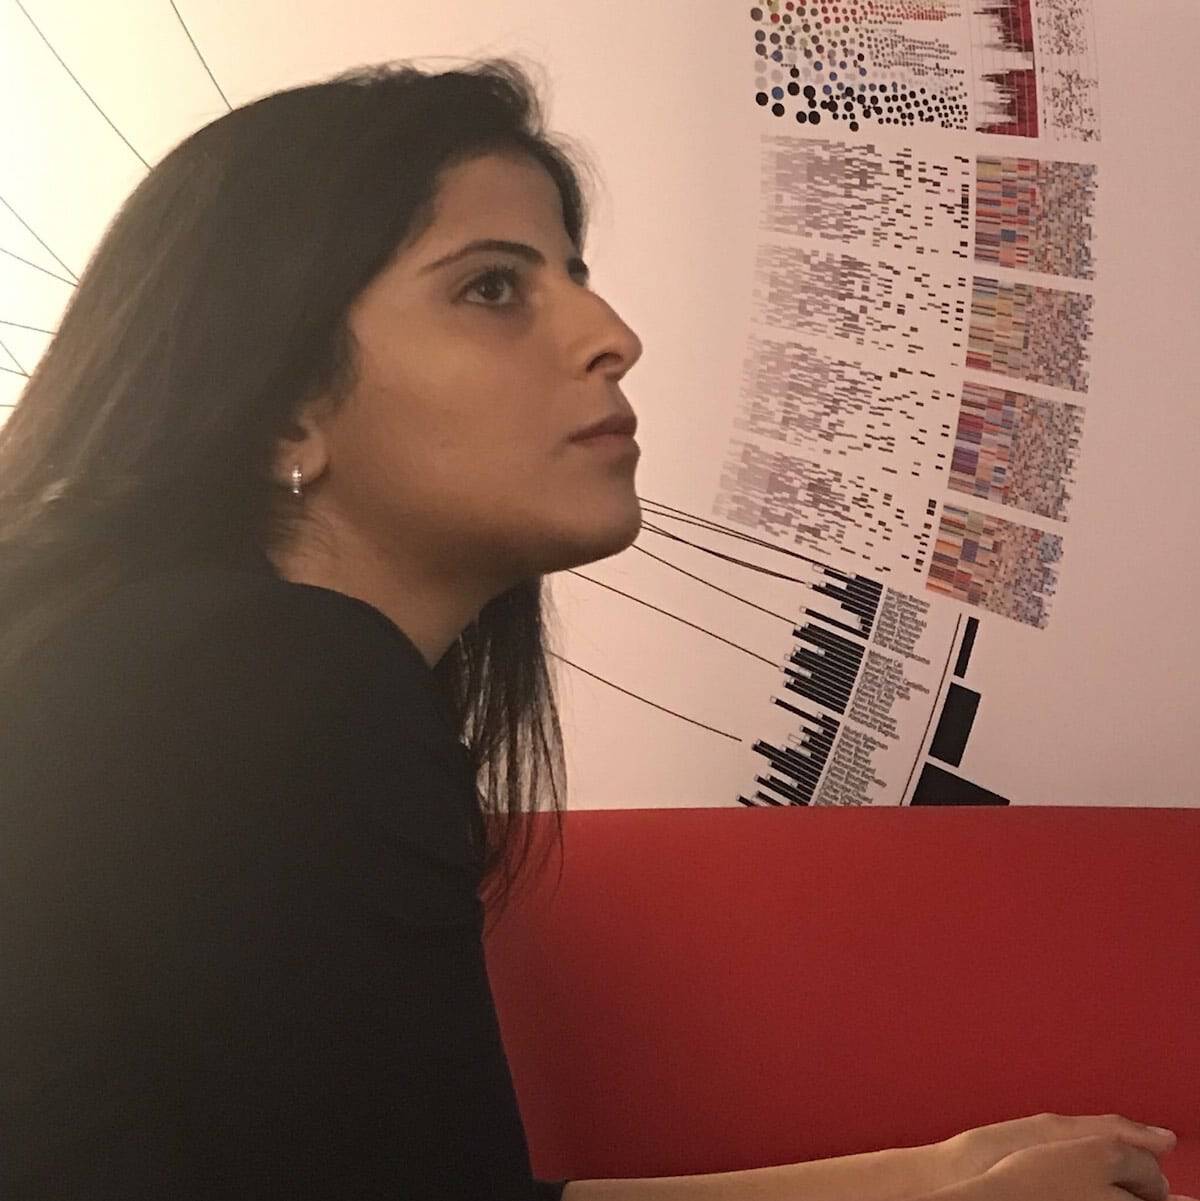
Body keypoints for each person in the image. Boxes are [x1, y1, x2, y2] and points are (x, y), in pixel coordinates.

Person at [0, 56, 1189, 1200]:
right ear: (282, 409)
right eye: (492, 288)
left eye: (575, 274)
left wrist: (931, 1176)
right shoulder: (267, 683)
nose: (612, 333)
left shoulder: (172, 661)